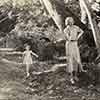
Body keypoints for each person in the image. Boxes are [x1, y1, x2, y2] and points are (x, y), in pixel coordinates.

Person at [64, 17, 86, 84]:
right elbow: (68, 38)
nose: (70, 22)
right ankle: (71, 77)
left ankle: (76, 76)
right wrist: (70, 34)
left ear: (73, 21)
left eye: (71, 21)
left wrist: (77, 37)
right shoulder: (66, 29)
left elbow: (82, 31)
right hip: (69, 45)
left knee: (76, 59)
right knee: (70, 60)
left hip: (75, 44)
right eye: (69, 21)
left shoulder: (76, 27)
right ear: (67, 22)